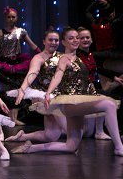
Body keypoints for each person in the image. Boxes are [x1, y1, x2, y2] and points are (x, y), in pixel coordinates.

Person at [11, 27, 123, 157]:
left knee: (68, 145)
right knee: (109, 105)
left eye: (77, 38)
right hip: (65, 101)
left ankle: (31, 148)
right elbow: (45, 74)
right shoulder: (58, 59)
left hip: (75, 98)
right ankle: (119, 147)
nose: (75, 40)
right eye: (71, 38)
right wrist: (27, 89)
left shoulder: (75, 57)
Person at [6, 29, 68, 144]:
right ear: (44, 41)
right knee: (55, 106)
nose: (54, 42)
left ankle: (22, 137)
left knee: (51, 136)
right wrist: (22, 89)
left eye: (56, 40)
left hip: (61, 93)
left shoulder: (63, 57)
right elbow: (32, 73)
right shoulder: (38, 58)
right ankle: (72, 137)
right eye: (50, 40)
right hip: (45, 95)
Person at [76, 27, 111, 140]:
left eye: (87, 37)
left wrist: (114, 77)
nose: (85, 40)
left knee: (106, 98)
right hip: (82, 90)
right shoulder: (76, 56)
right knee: (87, 133)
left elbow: (97, 69)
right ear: (77, 40)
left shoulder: (90, 55)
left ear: (91, 40)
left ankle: (100, 131)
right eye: (82, 38)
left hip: (92, 88)